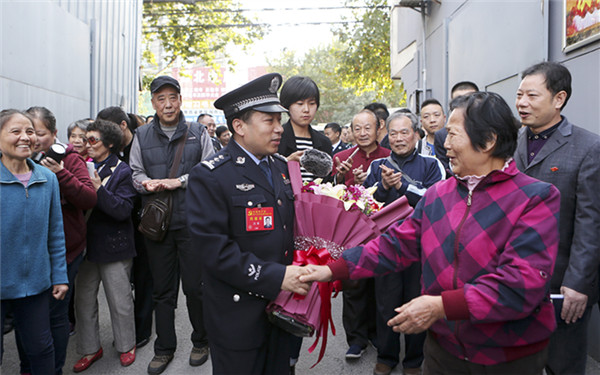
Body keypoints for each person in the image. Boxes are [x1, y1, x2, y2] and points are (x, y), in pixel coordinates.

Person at [302, 92, 561, 374]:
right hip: (443, 350)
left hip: (507, 354)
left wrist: (440, 307)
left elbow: (520, 285)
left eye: (452, 135)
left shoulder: (535, 198)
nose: (444, 144)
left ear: (488, 141)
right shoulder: (439, 194)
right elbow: (395, 244)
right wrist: (331, 269)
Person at [186, 73, 310, 374]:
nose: (279, 129)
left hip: (281, 307)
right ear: (239, 126)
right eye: (269, 121)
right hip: (237, 314)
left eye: (279, 120)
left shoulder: (281, 167)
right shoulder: (211, 175)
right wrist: (277, 275)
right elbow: (214, 251)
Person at [514, 61, 600, 375]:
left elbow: (591, 223)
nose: (522, 103)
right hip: (515, 278)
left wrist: (578, 283)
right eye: (519, 94)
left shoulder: (588, 147)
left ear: (559, 98)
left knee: (563, 364)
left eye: (532, 96)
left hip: (562, 284)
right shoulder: (512, 141)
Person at [129, 75, 214, 374]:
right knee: (162, 292)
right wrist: (146, 184)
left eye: (172, 97)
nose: (167, 104)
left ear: (180, 100)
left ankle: (201, 341)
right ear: (153, 102)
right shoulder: (141, 135)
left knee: (195, 288)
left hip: (191, 223)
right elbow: (135, 173)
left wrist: (179, 181)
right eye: (160, 98)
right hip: (157, 224)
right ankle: (164, 348)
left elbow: (209, 170)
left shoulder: (197, 131)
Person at [17, 106, 97, 375]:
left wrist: (61, 174)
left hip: (66, 250)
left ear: (53, 133)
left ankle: (54, 368)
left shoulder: (71, 160)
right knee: (25, 315)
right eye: (24, 132)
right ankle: (28, 367)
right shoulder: (17, 160)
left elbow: (88, 198)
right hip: (26, 253)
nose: (31, 139)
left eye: (37, 133)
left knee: (54, 315)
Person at [363, 111, 444, 375]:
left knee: (416, 300)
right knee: (385, 302)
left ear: (416, 135)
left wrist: (401, 188)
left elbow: (435, 203)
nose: (398, 138)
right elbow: (366, 206)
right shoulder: (377, 167)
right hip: (385, 246)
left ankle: (413, 361)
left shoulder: (432, 165)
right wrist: (383, 187)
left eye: (405, 132)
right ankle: (386, 357)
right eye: (393, 133)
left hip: (421, 248)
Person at [1, 109, 69, 374]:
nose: (25, 137)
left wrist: (59, 276)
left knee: (41, 350)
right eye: (15, 131)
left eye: (29, 131)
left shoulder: (48, 178)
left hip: (36, 285)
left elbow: (55, 232)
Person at [72, 119, 137, 372]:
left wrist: (99, 189)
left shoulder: (123, 171)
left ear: (109, 143)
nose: (87, 145)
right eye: (84, 139)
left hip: (114, 246)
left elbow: (123, 210)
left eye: (92, 140)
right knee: (83, 300)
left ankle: (126, 345)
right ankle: (90, 348)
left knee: (120, 301)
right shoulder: (78, 167)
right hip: (85, 246)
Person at [331, 109, 390, 360]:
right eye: (357, 128)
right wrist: (342, 177)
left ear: (379, 129)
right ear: (351, 131)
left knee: (380, 284)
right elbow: (332, 194)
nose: (363, 133)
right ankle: (356, 339)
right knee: (353, 283)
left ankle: (377, 334)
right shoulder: (342, 157)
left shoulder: (388, 156)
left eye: (368, 128)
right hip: (351, 231)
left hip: (382, 231)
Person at [96, 106, 155, 349]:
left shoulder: (141, 148)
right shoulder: (112, 152)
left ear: (122, 126)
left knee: (143, 279)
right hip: (117, 225)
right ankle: (127, 331)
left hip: (142, 224)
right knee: (124, 283)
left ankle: (141, 331)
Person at [277, 75, 332, 181]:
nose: (306, 109)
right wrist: (286, 162)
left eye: (311, 104)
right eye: (300, 104)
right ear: (287, 106)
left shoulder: (324, 142)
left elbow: (327, 182)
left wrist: (339, 176)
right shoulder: (276, 139)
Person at [434, 81, 479, 173]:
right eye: (459, 101)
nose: (464, 105)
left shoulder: (490, 130)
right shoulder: (441, 136)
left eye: (468, 100)